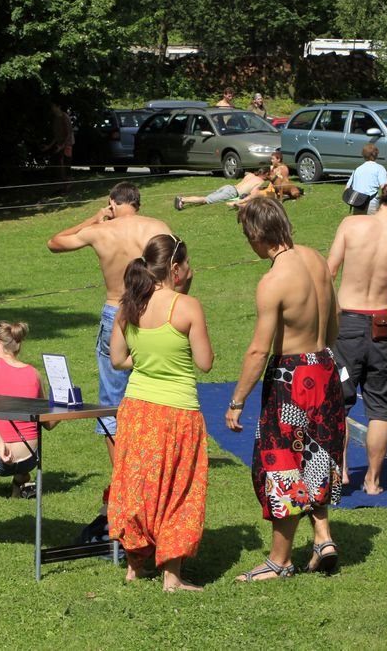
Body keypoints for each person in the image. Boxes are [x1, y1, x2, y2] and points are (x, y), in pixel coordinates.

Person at [225, 197, 345, 580]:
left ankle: (279, 561)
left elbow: (259, 350)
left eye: (249, 237)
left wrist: (236, 401)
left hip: (290, 378)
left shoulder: (273, 281)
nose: (249, 244)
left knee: (282, 466)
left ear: (259, 234)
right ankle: (323, 537)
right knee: (318, 457)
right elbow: (337, 322)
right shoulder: (316, 260)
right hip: (324, 367)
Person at [108, 234, 213, 592]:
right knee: (178, 490)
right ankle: (172, 575)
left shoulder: (130, 304)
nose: (190, 269)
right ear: (175, 268)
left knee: (138, 487)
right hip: (178, 411)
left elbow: (118, 359)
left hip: (137, 409)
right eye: (187, 264)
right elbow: (205, 363)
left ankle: (135, 566)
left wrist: (146, 357)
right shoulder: (187, 307)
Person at [47, 182, 172, 463]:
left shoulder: (101, 231)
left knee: (113, 401)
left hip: (115, 310)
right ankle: (152, 462)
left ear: (112, 202)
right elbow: (182, 269)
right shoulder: (157, 227)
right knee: (156, 389)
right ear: (137, 203)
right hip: (152, 311)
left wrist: (92, 219)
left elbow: (54, 242)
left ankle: (120, 478)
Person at [327, 180, 387, 494]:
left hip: (346, 320)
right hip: (381, 321)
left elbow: (329, 273)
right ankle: (373, 480)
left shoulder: (350, 224)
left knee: (337, 400)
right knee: (380, 406)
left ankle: (338, 469)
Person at [0, 321, 57, 497]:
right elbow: (49, 423)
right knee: (26, 419)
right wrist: (65, 404)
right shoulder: (35, 374)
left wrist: (1, 443)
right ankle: (20, 479)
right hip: (29, 459)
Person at [174, 151, 299, 211]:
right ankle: (183, 200)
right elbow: (256, 192)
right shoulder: (259, 182)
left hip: (228, 186)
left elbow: (246, 173)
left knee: (207, 197)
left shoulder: (250, 175)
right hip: (231, 193)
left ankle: (184, 199)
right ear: (265, 175)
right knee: (205, 200)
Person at [345, 143, 387, 215]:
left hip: (357, 203)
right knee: (373, 226)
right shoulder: (380, 168)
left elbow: (346, 188)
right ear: (376, 154)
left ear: (363, 155)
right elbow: (384, 188)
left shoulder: (357, 169)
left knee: (359, 225)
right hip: (372, 203)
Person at [42, 102, 74, 195]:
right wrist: (49, 146)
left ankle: (67, 188)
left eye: (53, 106)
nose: (52, 108)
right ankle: (62, 188)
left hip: (67, 145)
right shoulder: (56, 118)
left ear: (58, 106)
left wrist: (62, 146)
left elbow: (69, 134)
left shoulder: (65, 117)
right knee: (60, 167)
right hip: (59, 146)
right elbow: (56, 136)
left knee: (65, 166)